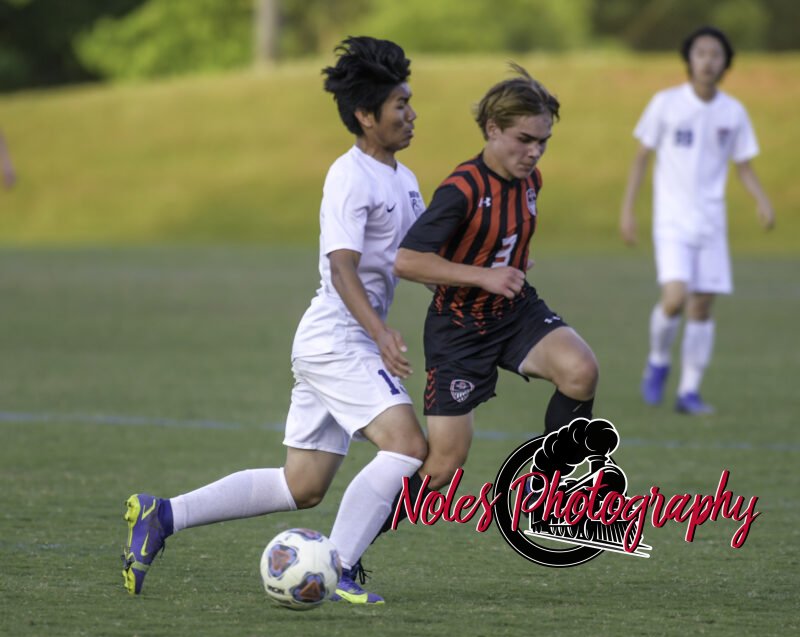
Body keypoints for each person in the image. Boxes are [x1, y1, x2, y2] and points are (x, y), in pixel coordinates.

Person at [121, 36, 427, 605]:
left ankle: (164, 515)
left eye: (410, 101)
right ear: (366, 115)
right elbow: (342, 269)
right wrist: (382, 334)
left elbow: (417, 260)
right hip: (340, 339)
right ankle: (340, 568)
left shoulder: (404, 181)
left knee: (303, 485)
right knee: (407, 445)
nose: (412, 114)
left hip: (336, 342)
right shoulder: (350, 176)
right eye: (400, 105)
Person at [390, 64, 598, 502]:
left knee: (580, 371)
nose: (535, 152)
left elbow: (499, 241)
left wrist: (512, 263)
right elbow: (407, 261)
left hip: (515, 312)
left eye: (543, 142)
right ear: (492, 129)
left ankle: (550, 488)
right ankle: (353, 549)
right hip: (459, 330)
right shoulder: (461, 189)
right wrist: (484, 276)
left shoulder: (529, 181)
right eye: (525, 140)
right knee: (443, 466)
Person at [620, 26, 775, 415]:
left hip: (711, 221)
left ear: (726, 63)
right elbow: (642, 157)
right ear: (689, 59)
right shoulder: (665, 103)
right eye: (701, 53)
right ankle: (657, 360)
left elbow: (743, 164)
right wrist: (628, 210)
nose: (708, 60)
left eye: (716, 54)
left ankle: (689, 391)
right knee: (674, 298)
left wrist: (762, 200)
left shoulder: (733, 111)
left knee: (702, 306)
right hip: (671, 219)